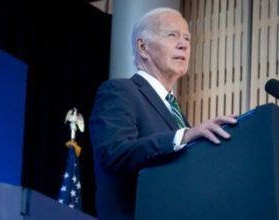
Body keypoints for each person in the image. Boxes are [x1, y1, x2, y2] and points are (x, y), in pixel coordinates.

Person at [89, 7, 237, 220]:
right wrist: (184, 136)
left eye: (187, 38)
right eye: (172, 35)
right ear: (143, 47)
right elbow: (114, 153)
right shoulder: (120, 91)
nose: (184, 44)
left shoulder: (176, 113)